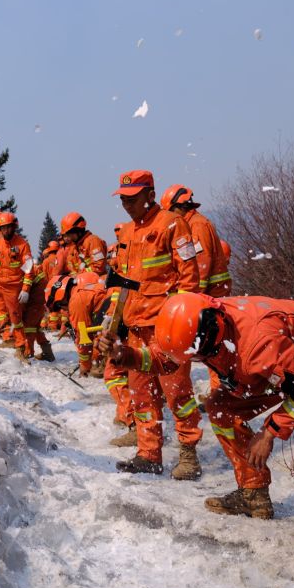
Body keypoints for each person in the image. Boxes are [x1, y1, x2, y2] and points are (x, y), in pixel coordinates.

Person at [136, 292, 294, 588]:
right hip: (288, 365)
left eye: (199, 355)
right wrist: (125, 356)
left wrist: (269, 432)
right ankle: (253, 493)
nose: (197, 360)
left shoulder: (259, 342)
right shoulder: (203, 325)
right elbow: (168, 360)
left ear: (212, 332)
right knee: (221, 408)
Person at [99, 169, 204, 480]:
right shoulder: (126, 233)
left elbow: (189, 279)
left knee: (177, 395)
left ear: (150, 195)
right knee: (142, 395)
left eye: (132, 198)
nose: (127, 205)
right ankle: (148, 454)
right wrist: (111, 320)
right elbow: (121, 282)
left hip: (167, 329)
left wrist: (182, 322)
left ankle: (188, 454)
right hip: (136, 329)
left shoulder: (173, 224)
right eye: (123, 199)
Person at [160, 185, 232, 297]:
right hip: (206, 293)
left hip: (211, 295)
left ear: (181, 207)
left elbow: (200, 264)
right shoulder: (187, 224)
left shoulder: (197, 225)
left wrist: (190, 295)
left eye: (170, 212)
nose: (169, 217)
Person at [0, 212, 36, 358]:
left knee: (15, 318)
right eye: (3, 228)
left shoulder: (23, 245)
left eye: (9, 227)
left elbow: (29, 269)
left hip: (13, 286)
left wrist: (25, 290)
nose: (6, 230)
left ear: (14, 227)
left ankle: (20, 347)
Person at [57, 212, 108, 276]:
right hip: (84, 280)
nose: (68, 237)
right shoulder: (75, 247)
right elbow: (74, 269)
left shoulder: (93, 241)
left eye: (69, 234)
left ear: (77, 231)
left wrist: (80, 275)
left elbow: (99, 267)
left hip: (98, 279)